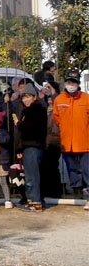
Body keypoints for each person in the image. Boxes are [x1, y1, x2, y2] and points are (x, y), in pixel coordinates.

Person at [51, 70, 89, 205]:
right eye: (68, 82)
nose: (70, 84)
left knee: (86, 169)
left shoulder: (86, 98)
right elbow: (57, 118)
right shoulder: (59, 99)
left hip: (84, 141)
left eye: (73, 82)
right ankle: (77, 190)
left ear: (78, 84)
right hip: (67, 142)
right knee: (72, 168)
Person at [15, 85, 47, 211]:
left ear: (34, 97)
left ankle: (35, 202)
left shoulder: (36, 110)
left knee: (32, 175)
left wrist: (19, 124)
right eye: (24, 97)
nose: (25, 100)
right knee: (30, 175)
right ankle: (31, 201)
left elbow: (30, 128)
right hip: (29, 146)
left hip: (33, 146)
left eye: (28, 97)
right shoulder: (28, 111)